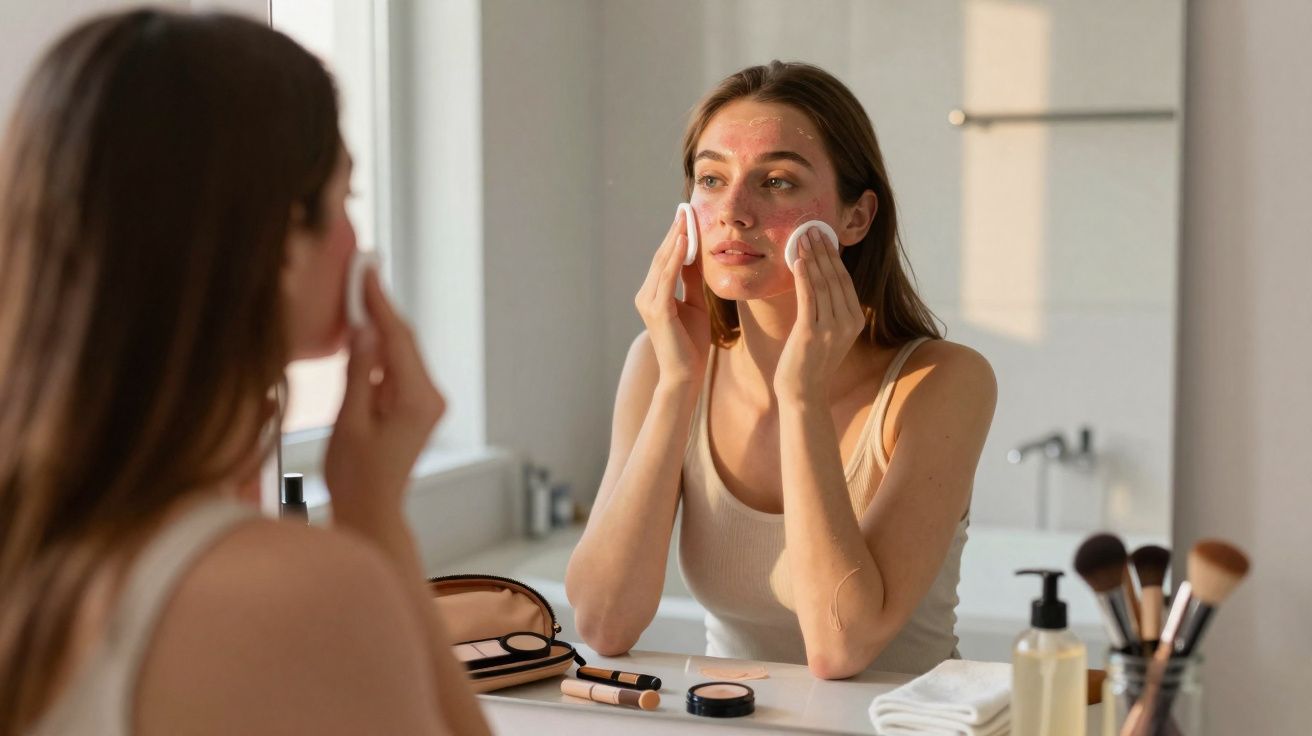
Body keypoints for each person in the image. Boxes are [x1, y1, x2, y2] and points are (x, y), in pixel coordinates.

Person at [0, 9, 489, 735]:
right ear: (282, 241)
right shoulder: (292, 597)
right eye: (344, 197)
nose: (357, 236)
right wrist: (373, 515)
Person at [566, 61, 997, 679]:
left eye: (778, 182)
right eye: (711, 178)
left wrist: (801, 398)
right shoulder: (659, 366)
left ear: (856, 217)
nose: (734, 211)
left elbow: (839, 648)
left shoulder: (942, 382)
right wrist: (678, 384)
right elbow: (604, 625)